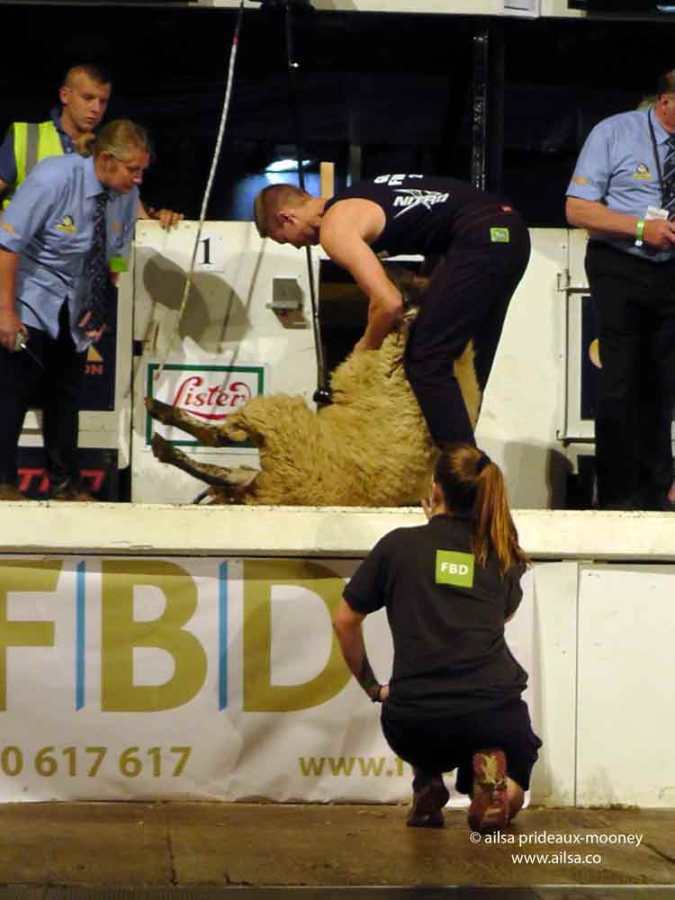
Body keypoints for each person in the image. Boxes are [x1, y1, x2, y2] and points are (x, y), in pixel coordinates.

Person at [333, 443, 540, 833]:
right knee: (513, 764)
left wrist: (373, 688)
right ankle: (499, 794)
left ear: (435, 489)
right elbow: (501, 616)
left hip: (414, 720)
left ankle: (426, 779)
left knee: (429, 712)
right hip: (489, 711)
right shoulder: (500, 553)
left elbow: (345, 620)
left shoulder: (398, 546)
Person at [254, 176, 530, 448]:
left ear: (286, 218)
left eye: (286, 241)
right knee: (467, 362)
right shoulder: (361, 195)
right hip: (510, 232)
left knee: (426, 357)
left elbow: (388, 303)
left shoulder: (334, 228)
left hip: (480, 237)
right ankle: (462, 475)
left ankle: (460, 475)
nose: (298, 246)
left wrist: (365, 347)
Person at [0, 119, 149, 501]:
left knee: (65, 396)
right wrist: (5, 313)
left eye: (142, 171)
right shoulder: (54, 178)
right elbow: (7, 246)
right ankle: (3, 483)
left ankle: (65, 483)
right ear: (106, 159)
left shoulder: (126, 195)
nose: (138, 179)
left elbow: (116, 257)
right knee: (11, 393)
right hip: (30, 296)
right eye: (133, 170)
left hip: (78, 303)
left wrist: (102, 306)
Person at [566, 69, 675, 511]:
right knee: (621, 380)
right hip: (620, 263)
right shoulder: (614, 133)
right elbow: (576, 209)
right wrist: (639, 228)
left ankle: (659, 492)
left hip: (672, 269)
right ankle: (616, 496)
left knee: (663, 382)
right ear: (667, 101)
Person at [0, 63, 181, 229]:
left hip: (82, 259)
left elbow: (135, 215)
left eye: (103, 101)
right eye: (88, 98)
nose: (96, 108)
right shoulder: (26, 136)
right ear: (65, 95)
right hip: (21, 256)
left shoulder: (109, 149)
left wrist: (159, 221)